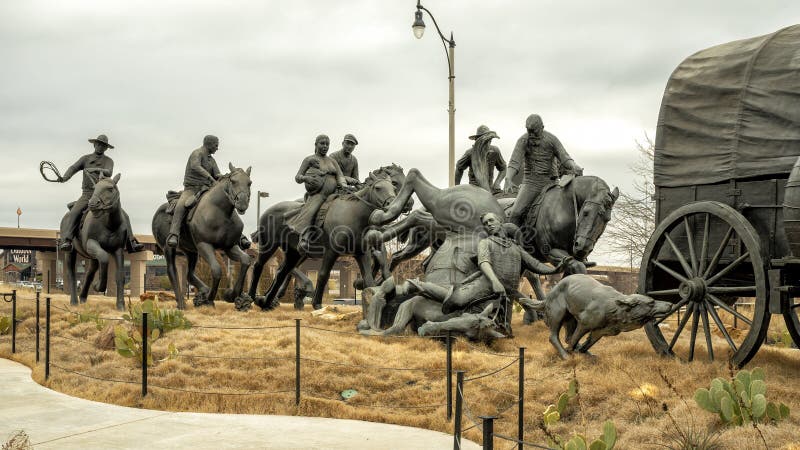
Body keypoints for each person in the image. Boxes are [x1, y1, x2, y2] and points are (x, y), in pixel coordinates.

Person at [58, 134, 143, 253]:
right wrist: (65, 177)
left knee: (125, 216)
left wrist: (96, 170)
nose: (100, 147)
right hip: (88, 194)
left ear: (106, 148)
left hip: (103, 195)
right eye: (98, 144)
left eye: (103, 145)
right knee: (74, 212)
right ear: (94, 144)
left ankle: (131, 242)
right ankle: (68, 240)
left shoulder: (108, 161)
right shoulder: (85, 159)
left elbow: (108, 172)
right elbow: (73, 167)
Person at [504, 114, 583, 226]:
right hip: (531, 184)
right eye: (529, 131)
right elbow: (514, 162)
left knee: (572, 210)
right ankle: (512, 240)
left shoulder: (552, 140)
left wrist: (574, 166)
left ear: (542, 127)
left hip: (552, 183)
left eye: (534, 132)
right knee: (516, 214)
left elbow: (564, 157)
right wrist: (508, 177)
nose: (531, 134)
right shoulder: (523, 140)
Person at [287, 134, 348, 252]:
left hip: (334, 194)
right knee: (312, 209)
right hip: (319, 194)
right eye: (322, 143)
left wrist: (344, 185)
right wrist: (306, 178)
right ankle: (304, 237)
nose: (325, 146)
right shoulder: (309, 159)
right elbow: (297, 177)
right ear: (316, 144)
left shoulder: (332, 161)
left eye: (327, 144)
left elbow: (340, 176)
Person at [166, 135, 222, 248]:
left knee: (224, 202)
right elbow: (195, 166)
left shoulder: (212, 160)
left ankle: (237, 234)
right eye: (216, 145)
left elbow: (217, 174)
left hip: (207, 190)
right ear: (209, 143)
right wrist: (210, 178)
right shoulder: (197, 153)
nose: (217, 148)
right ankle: (174, 234)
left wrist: (227, 177)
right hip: (191, 189)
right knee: (181, 205)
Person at [454, 125, 507, 194]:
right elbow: (459, 168)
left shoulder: (495, 151)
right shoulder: (470, 153)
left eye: (489, 141)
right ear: (477, 141)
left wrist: (497, 182)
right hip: (474, 190)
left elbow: (503, 168)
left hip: (489, 190)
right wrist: (457, 189)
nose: (487, 143)